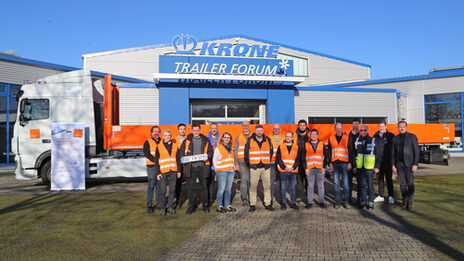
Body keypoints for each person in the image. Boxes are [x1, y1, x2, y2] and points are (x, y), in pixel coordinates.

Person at [179, 123, 214, 214]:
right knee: (191, 188)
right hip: (190, 168)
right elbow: (181, 152)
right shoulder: (186, 141)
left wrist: (208, 156)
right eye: (194, 130)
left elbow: (210, 151)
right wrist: (183, 158)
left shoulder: (206, 140)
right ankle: (191, 206)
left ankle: (205, 205)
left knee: (204, 188)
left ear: (200, 130)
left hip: (203, 167)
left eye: (197, 130)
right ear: (192, 131)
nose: (196, 132)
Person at [352, 125, 383, 210]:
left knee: (370, 185)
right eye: (361, 130)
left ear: (368, 131)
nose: (363, 132)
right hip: (360, 167)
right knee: (362, 185)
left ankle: (371, 202)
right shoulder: (357, 140)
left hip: (369, 167)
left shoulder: (372, 140)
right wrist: (354, 166)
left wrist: (377, 166)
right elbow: (355, 154)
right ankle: (363, 201)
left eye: (365, 130)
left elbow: (378, 155)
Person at [245, 125, 274, 212]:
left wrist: (267, 161)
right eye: (257, 131)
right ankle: (253, 204)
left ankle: (268, 203)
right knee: (253, 186)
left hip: (265, 167)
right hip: (254, 167)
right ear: (255, 131)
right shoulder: (250, 140)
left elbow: (271, 152)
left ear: (263, 131)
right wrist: (250, 164)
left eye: (260, 130)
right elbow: (246, 154)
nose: (259, 132)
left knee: (267, 186)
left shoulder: (268, 140)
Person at [392, 121, 419, 211]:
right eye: (400, 126)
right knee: (402, 184)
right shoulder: (395, 138)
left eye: (403, 126)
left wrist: (415, 164)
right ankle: (404, 202)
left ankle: (410, 203)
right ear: (398, 127)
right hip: (399, 165)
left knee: (410, 183)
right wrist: (393, 165)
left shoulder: (412, 137)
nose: (401, 128)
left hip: (409, 164)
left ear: (406, 127)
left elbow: (416, 151)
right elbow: (393, 153)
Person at [154, 129, 181, 215]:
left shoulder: (175, 145)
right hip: (163, 171)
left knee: (172, 190)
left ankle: (170, 207)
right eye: (165, 135)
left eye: (169, 135)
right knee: (162, 190)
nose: (167, 137)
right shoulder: (159, 146)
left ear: (171, 136)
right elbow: (156, 160)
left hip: (173, 170)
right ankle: (162, 207)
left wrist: (179, 171)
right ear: (163, 136)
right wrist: (158, 172)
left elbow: (178, 159)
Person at [328, 122, 351, 209]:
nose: (338, 130)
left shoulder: (347, 137)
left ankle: (346, 201)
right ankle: (337, 201)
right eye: (337, 128)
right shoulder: (331, 138)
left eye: (340, 128)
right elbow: (329, 151)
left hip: (345, 163)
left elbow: (351, 151)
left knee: (345, 184)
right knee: (336, 183)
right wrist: (329, 163)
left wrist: (350, 163)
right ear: (335, 129)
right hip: (335, 163)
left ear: (342, 129)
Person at [213, 132, 237, 213]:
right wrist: (217, 170)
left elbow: (231, 159)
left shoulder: (231, 148)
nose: (227, 139)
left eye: (229, 138)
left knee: (228, 189)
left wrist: (233, 168)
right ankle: (219, 206)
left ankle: (228, 205)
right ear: (222, 138)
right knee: (221, 189)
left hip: (230, 171)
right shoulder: (218, 148)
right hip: (222, 171)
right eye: (225, 137)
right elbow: (214, 160)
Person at [304, 129, 328, 208]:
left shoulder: (322, 144)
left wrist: (324, 167)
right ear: (310, 136)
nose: (313, 136)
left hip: (320, 168)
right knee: (310, 186)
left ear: (318, 135)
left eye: (315, 134)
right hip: (310, 169)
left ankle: (321, 202)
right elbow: (302, 157)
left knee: (320, 186)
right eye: (312, 134)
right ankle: (310, 202)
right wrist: (305, 168)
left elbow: (326, 156)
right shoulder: (306, 144)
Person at [276, 131, 300, 210]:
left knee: (292, 187)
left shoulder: (296, 147)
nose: (288, 138)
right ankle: (283, 203)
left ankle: (293, 203)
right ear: (285, 137)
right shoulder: (281, 146)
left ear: (292, 138)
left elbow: (298, 159)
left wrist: (293, 167)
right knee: (283, 187)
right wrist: (284, 167)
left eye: (290, 136)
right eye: (287, 136)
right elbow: (278, 158)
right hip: (283, 170)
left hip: (293, 171)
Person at [373, 120, 395, 204]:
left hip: (388, 162)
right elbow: (373, 150)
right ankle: (381, 196)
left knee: (389, 180)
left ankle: (391, 196)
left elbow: (394, 150)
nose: (381, 128)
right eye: (380, 126)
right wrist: (375, 165)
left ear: (386, 126)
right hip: (379, 163)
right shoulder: (375, 136)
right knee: (380, 179)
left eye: (382, 126)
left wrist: (393, 163)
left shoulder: (391, 136)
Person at [143, 126, 161, 213]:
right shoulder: (147, 142)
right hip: (152, 167)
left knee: (159, 186)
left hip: (161, 168)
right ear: (151, 133)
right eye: (155, 132)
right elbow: (147, 154)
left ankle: (158, 204)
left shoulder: (162, 141)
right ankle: (149, 204)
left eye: (158, 131)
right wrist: (156, 162)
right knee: (151, 186)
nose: (156, 133)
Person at [234, 121, 252, 206]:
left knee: (252, 181)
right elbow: (236, 151)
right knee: (244, 179)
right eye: (244, 125)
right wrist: (236, 163)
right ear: (242, 127)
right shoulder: (238, 137)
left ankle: (252, 198)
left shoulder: (253, 137)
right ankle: (244, 198)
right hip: (242, 162)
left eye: (247, 125)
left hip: (253, 162)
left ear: (249, 126)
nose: (245, 127)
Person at [268, 124, 285, 204]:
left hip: (281, 162)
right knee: (270, 182)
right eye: (275, 129)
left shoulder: (284, 137)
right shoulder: (268, 138)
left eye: (278, 129)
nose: (276, 130)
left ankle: (282, 199)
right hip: (271, 162)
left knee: (282, 182)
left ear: (280, 129)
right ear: (273, 129)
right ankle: (270, 199)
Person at [295, 119, 310, 203]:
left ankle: (309, 197)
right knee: (299, 180)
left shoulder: (310, 136)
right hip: (298, 161)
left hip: (308, 161)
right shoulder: (295, 135)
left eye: (303, 125)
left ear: (306, 126)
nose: (302, 127)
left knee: (308, 180)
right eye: (300, 125)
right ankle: (299, 196)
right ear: (298, 126)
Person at [174, 123, 187, 209]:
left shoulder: (188, 139)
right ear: (178, 130)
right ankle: (177, 201)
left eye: (184, 129)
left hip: (187, 164)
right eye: (181, 129)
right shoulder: (174, 140)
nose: (182, 130)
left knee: (189, 183)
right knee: (177, 184)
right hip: (178, 165)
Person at [347, 118, 360, 205]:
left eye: (356, 123)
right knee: (348, 182)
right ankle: (349, 198)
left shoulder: (361, 134)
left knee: (360, 182)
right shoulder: (349, 135)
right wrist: (349, 162)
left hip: (359, 162)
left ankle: (359, 199)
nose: (355, 125)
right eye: (353, 123)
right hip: (350, 162)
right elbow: (347, 150)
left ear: (359, 124)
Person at [207, 122, 220, 206]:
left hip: (220, 164)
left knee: (221, 183)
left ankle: (220, 200)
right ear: (210, 129)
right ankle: (210, 200)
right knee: (210, 183)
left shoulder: (222, 138)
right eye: (212, 128)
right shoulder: (206, 139)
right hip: (210, 165)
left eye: (215, 128)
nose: (214, 130)